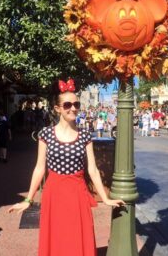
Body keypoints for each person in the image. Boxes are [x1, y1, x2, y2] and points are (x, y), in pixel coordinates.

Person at [8, 79, 124, 256]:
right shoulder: (46, 134)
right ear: (58, 109)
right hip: (54, 194)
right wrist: (28, 199)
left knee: (78, 236)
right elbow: (40, 168)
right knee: (57, 238)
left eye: (76, 104)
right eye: (68, 104)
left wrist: (105, 198)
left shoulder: (85, 135)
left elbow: (92, 170)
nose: (73, 108)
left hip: (77, 194)